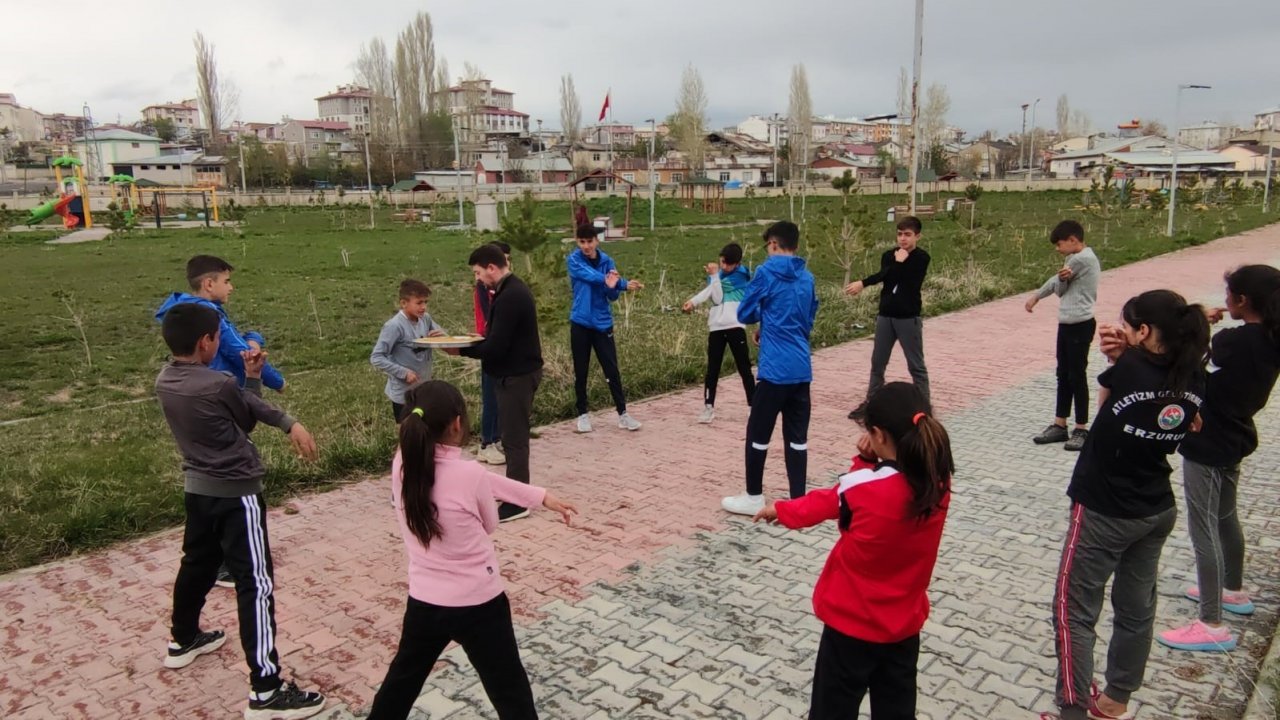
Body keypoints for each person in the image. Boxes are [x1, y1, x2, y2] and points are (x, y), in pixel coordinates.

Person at [154, 302, 326, 720]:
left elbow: (240, 416)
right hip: (237, 495)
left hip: (198, 491)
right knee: (256, 584)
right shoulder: (216, 383)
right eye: (216, 336)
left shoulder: (165, 380)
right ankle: (266, 689)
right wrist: (290, 422)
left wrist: (249, 378)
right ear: (205, 342)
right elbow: (249, 417)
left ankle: (183, 638)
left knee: (196, 563)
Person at [366, 380, 577, 720]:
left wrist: (538, 496)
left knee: (401, 684)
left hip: (425, 601)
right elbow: (490, 522)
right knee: (510, 691)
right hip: (479, 604)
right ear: (458, 424)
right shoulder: (470, 474)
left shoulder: (404, 464)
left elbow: (467, 479)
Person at [1045, 290, 1209, 720]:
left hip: (1104, 509)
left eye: (1129, 324)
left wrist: (1121, 360)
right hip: (1155, 508)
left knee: (1073, 612)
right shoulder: (1194, 374)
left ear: (1144, 331)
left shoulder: (1131, 368)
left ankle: (1073, 709)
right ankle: (1115, 700)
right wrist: (1126, 357)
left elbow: (1106, 412)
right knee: (1136, 610)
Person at [753, 382, 951, 720]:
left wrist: (782, 509)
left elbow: (832, 500)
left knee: (832, 710)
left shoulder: (866, 485)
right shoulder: (939, 483)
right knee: (896, 710)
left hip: (851, 626)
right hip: (902, 627)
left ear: (878, 435)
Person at [1157, 265, 1280, 653]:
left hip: (1208, 440)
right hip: (1236, 436)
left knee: (1203, 526)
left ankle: (1210, 622)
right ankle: (1234, 590)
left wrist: (1202, 325)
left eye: (1229, 295)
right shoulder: (1271, 338)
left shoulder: (1233, 341)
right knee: (1226, 516)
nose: (1225, 302)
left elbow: (1193, 358)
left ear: (1242, 300)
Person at [156, 254, 287, 590]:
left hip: (198, 413)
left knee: (206, 485)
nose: (231, 287)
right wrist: (274, 379)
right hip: (221, 396)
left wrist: (253, 336)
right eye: (226, 281)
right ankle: (232, 563)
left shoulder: (184, 313)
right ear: (208, 284)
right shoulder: (209, 315)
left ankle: (213, 562)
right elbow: (236, 349)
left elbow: (236, 340)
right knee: (233, 465)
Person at [721, 221, 819, 516]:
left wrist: (766, 318)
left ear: (773, 245)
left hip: (774, 368)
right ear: (796, 246)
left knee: (758, 432)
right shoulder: (808, 277)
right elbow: (809, 316)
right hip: (801, 368)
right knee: (797, 437)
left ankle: (753, 495)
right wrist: (774, 321)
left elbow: (746, 310)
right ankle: (798, 498)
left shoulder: (765, 272)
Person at [457, 244, 544, 522]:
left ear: (492, 268)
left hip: (517, 376)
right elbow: (497, 337)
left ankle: (517, 502)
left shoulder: (510, 296)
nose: (478, 278)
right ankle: (513, 491)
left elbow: (496, 347)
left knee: (514, 440)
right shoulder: (509, 290)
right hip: (512, 373)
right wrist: (476, 341)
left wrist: (461, 349)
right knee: (510, 436)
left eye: (479, 272)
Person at [845, 216, 932, 421]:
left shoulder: (921, 258)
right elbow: (886, 276)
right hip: (886, 317)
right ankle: (871, 403)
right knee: (878, 362)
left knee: (916, 365)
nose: (903, 239)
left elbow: (908, 281)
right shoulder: (888, 255)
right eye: (900, 234)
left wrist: (900, 262)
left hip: (908, 318)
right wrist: (867, 281)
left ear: (917, 236)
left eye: (908, 235)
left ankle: (924, 407)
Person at [1026, 220, 1102, 451]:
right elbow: (1057, 281)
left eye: (1060, 244)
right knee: (1063, 374)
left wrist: (1045, 291)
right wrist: (1039, 294)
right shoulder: (1072, 260)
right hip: (1067, 324)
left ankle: (1081, 427)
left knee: (1076, 376)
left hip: (1080, 323)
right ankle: (1060, 424)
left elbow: (1059, 288)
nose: (1057, 249)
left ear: (1073, 240)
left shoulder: (1082, 259)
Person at [567, 223, 645, 432]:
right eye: (582, 242)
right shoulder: (574, 260)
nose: (586, 246)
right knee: (581, 370)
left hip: (602, 323)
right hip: (581, 322)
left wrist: (616, 287)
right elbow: (588, 276)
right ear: (577, 242)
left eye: (589, 241)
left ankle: (623, 414)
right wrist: (620, 282)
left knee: (612, 369)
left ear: (597, 241)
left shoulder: (607, 261)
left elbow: (611, 295)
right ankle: (583, 414)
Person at [682, 242, 755, 423]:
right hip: (716, 326)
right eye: (722, 262)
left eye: (728, 264)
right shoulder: (717, 276)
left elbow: (718, 296)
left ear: (737, 263)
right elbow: (712, 293)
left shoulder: (741, 276)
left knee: (744, 367)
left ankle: (753, 405)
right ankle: (708, 406)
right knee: (712, 369)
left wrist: (714, 277)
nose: (724, 266)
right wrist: (693, 302)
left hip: (735, 325)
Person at [371, 279, 446, 423]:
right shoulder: (394, 326)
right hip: (403, 393)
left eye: (426, 302)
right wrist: (403, 373)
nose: (423, 307)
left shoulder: (425, 319)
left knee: (424, 429)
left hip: (424, 389)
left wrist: (441, 336)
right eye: (419, 303)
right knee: (407, 431)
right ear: (403, 303)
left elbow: (443, 336)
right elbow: (377, 357)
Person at [473, 242, 513, 465]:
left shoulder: (503, 285)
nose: (505, 263)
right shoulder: (483, 286)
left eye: (508, 259)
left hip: (501, 345)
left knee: (500, 395)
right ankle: (486, 442)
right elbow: (491, 315)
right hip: (489, 343)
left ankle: (497, 438)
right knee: (490, 395)